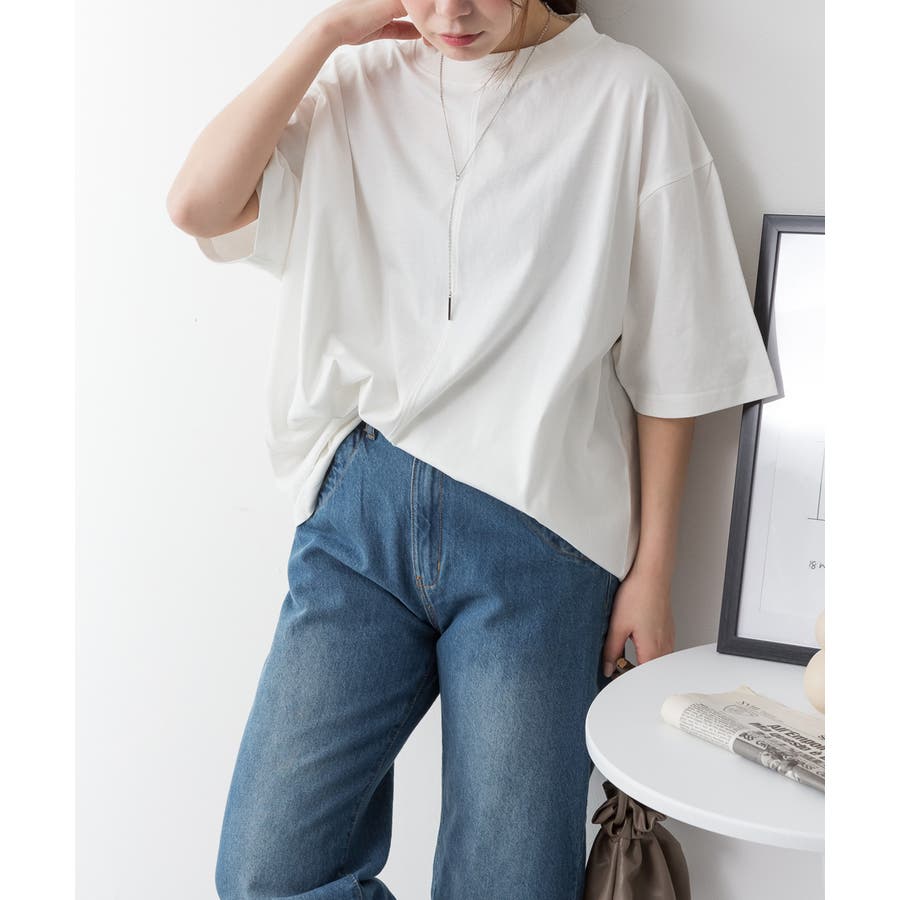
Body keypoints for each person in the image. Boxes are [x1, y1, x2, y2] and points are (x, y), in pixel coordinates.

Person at [167, 1, 779, 897]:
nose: (450, 12)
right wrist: (326, 33)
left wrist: (654, 571)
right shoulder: (357, 83)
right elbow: (198, 204)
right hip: (360, 524)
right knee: (266, 875)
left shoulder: (627, 98)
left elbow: (675, 362)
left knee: (507, 885)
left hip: (538, 540)